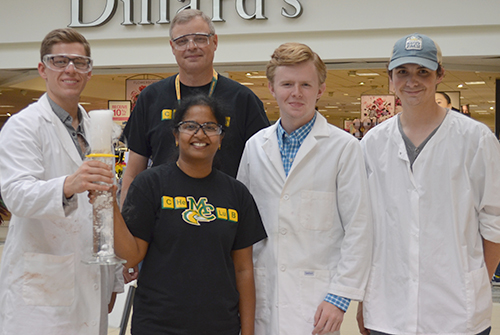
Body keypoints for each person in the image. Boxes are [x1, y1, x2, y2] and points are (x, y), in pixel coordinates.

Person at [358, 33, 500, 335]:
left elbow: (495, 221)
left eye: (423, 71)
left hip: (457, 312)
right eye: (403, 72)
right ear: (390, 77)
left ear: (440, 74)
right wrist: (362, 299)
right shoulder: (372, 143)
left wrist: (474, 284)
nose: (412, 81)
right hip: (388, 311)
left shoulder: (475, 139)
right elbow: (363, 226)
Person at [237, 43, 373, 335]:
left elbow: (360, 228)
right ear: (271, 88)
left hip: (317, 301)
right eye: (287, 84)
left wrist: (339, 298)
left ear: (320, 90)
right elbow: (241, 225)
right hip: (262, 294)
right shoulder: (255, 147)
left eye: (305, 84)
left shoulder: (345, 148)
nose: (296, 93)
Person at [109, 94, 267, 335]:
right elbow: (131, 257)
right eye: (190, 126)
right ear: (175, 135)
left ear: (221, 138)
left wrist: (247, 332)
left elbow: (243, 270)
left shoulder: (237, 194)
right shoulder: (150, 185)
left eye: (210, 127)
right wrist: (110, 205)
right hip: (158, 325)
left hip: (220, 326)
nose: (200, 134)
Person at [0, 28, 123, 334]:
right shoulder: (23, 126)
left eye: (79, 62)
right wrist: (68, 184)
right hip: (44, 278)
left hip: (93, 273)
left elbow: (108, 203)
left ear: (89, 71)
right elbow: (15, 194)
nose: (70, 69)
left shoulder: (100, 128)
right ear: (43, 69)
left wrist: (115, 274)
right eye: (60, 61)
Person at [121, 8, 269, 206]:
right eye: (182, 41)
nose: (191, 47)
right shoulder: (151, 98)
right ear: (172, 47)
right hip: (160, 219)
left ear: (214, 42)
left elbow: (261, 174)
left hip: (226, 218)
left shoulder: (243, 99)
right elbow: (133, 172)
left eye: (200, 39)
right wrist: (126, 225)